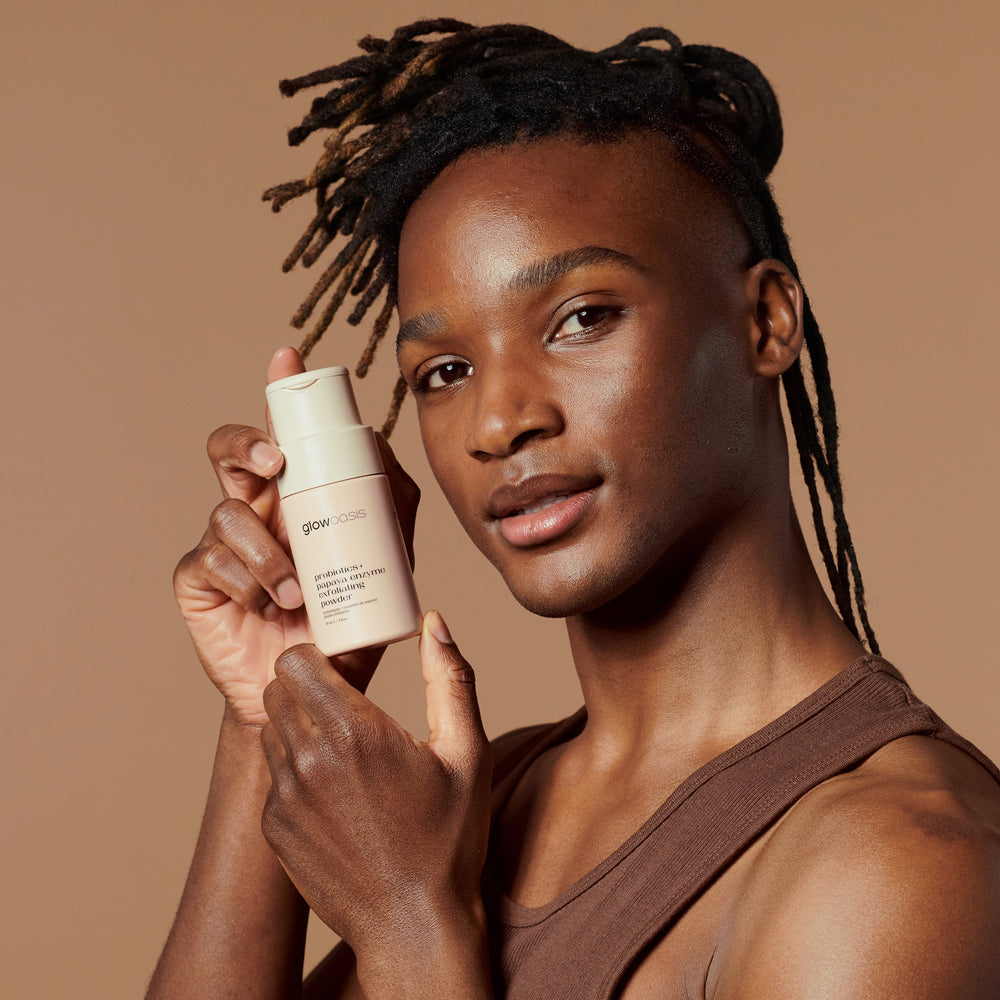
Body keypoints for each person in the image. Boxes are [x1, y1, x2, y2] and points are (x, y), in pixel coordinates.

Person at [147, 19, 1000, 999]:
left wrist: (413, 930)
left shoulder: (897, 869)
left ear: (765, 320)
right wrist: (272, 709)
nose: (501, 418)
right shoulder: (486, 801)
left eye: (581, 319)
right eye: (447, 369)